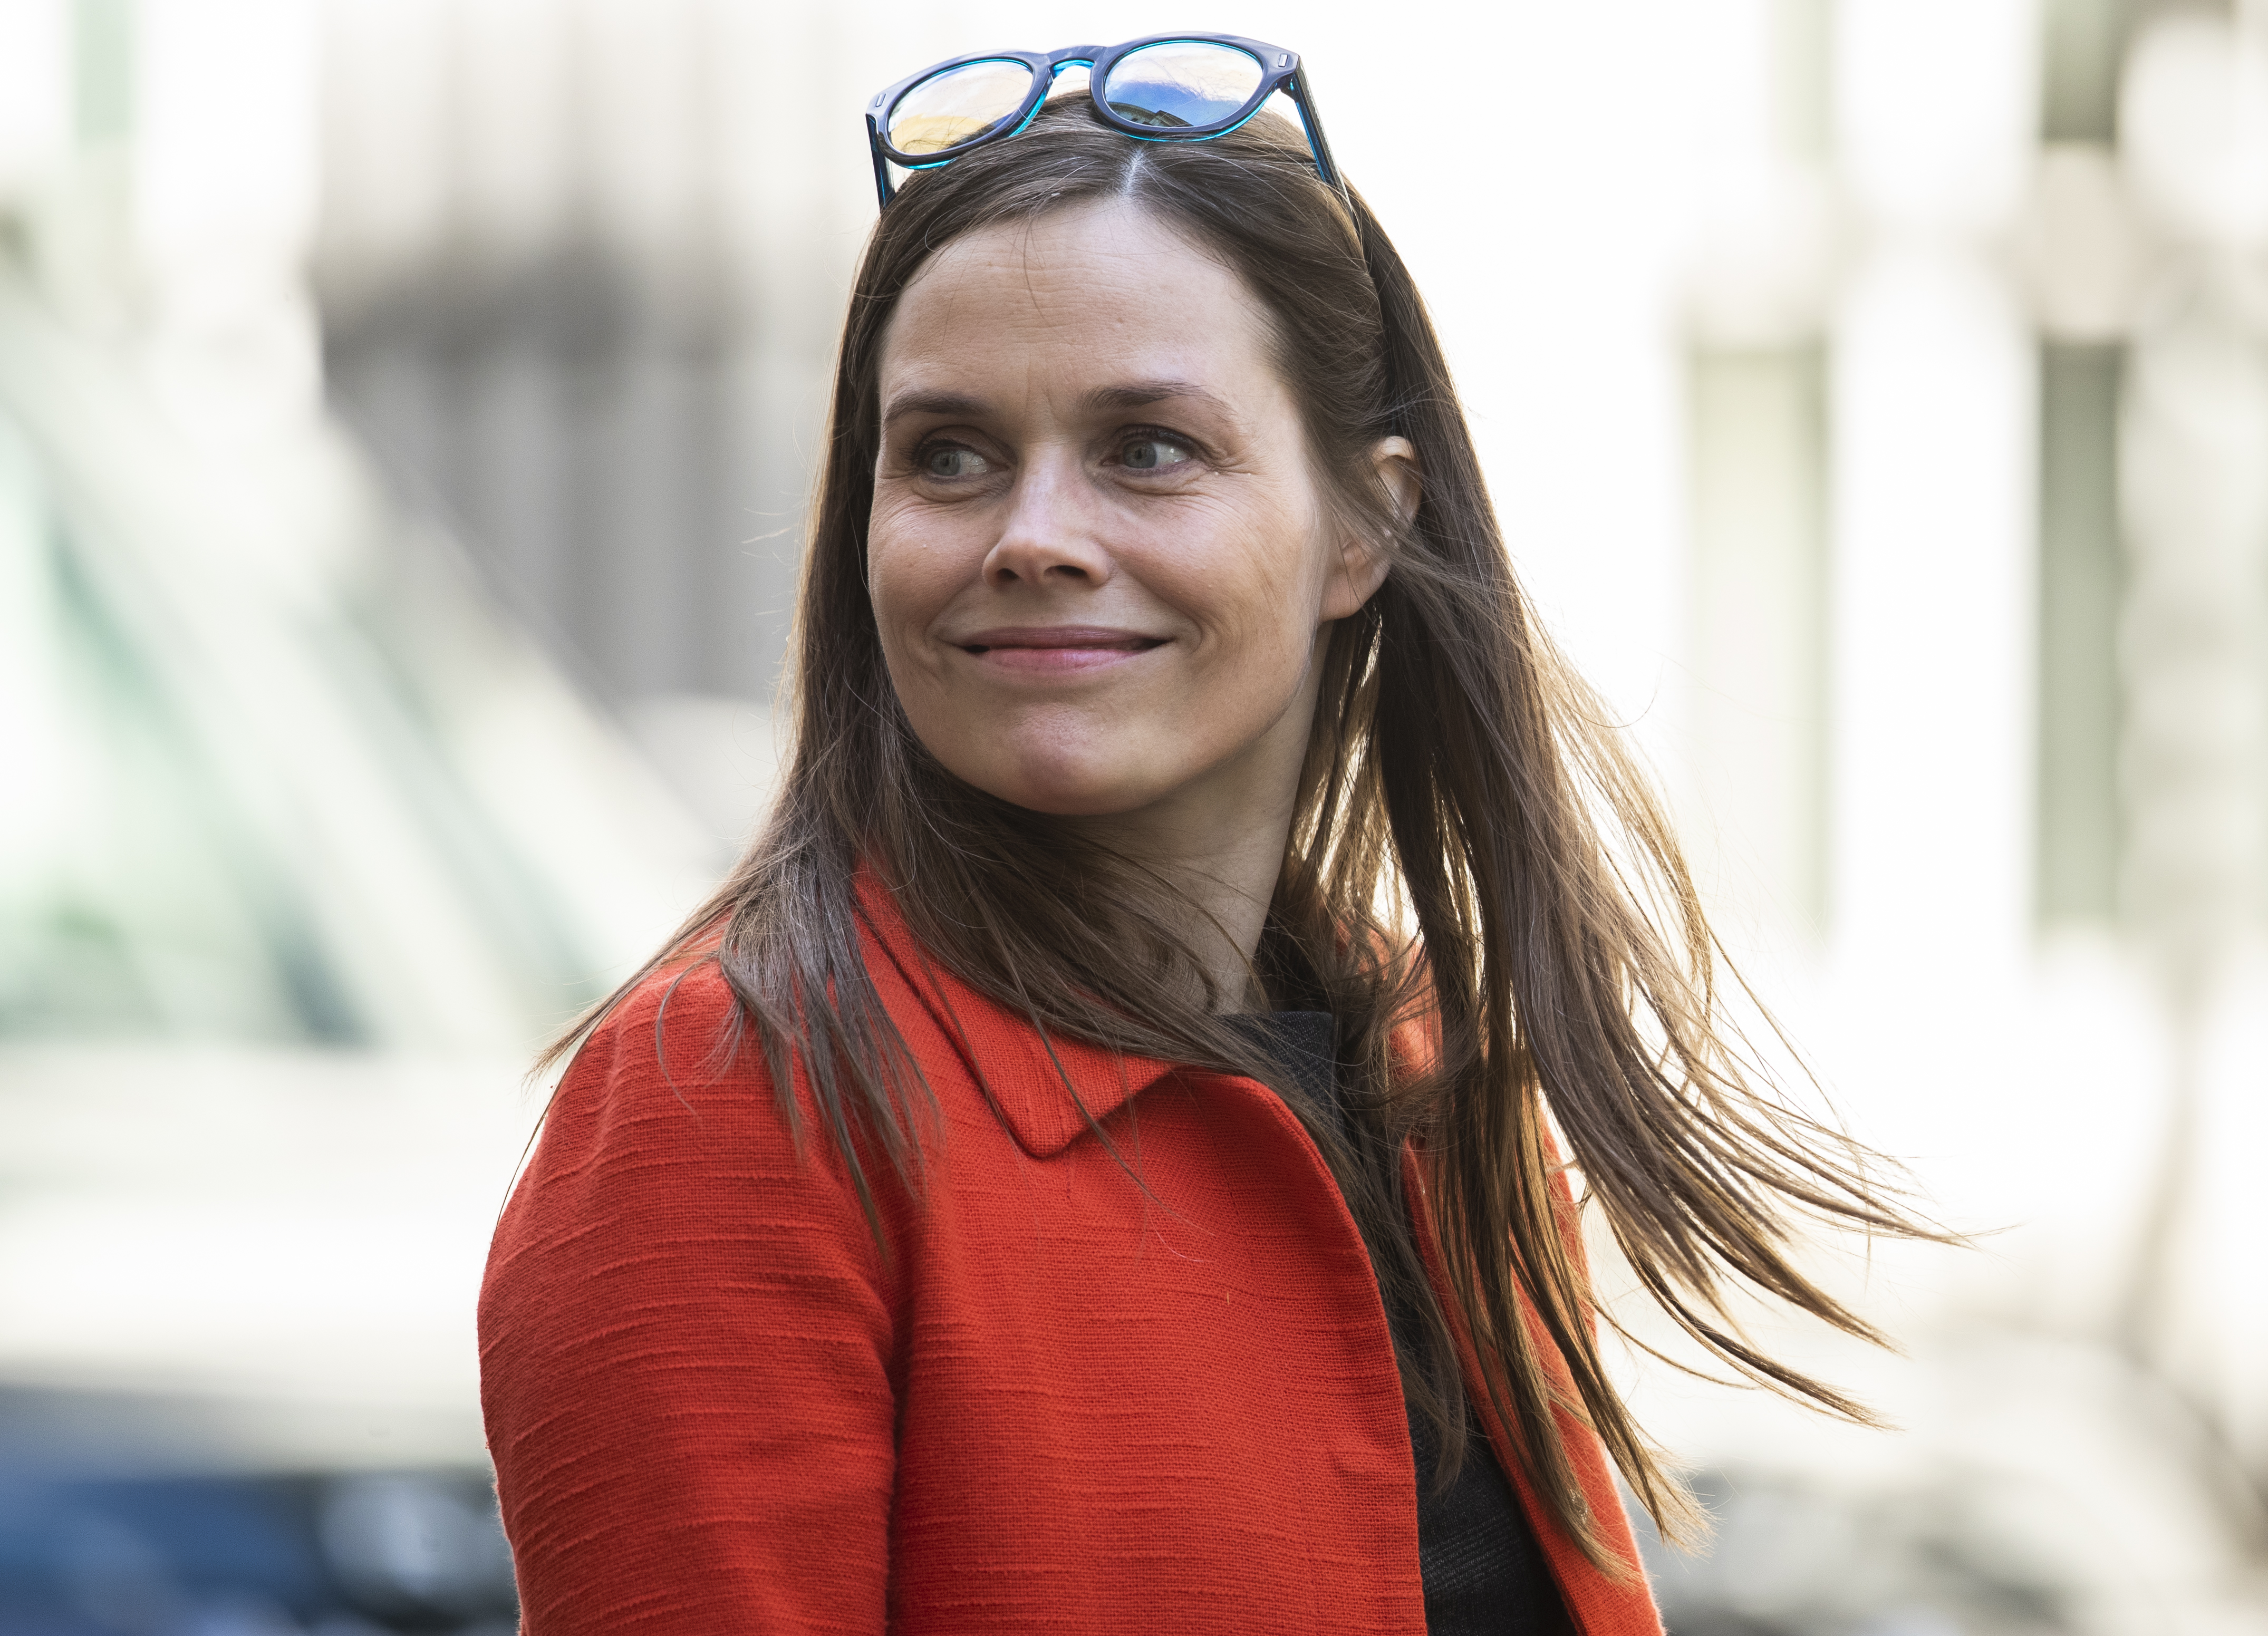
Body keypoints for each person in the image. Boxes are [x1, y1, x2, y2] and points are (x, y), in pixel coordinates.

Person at [479, 34, 1924, 1635]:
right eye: (948, 455)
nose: (1033, 536)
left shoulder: (1431, 1068)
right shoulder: (729, 1106)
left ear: (1366, 523)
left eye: (1147, 448)